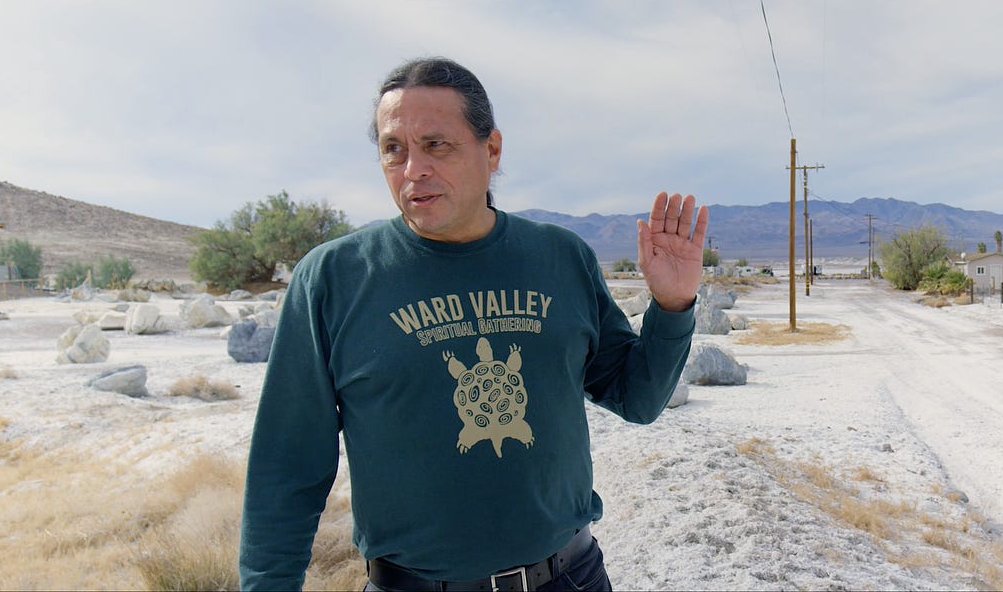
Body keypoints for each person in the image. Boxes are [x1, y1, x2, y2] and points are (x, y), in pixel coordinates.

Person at [239, 56, 708, 591]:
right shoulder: (334, 278)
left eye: (436, 145)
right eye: (394, 149)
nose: (413, 168)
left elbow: (637, 398)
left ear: (492, 150)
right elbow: (287, 468)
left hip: (568, 578)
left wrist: (672, 306)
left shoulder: (561, 258)